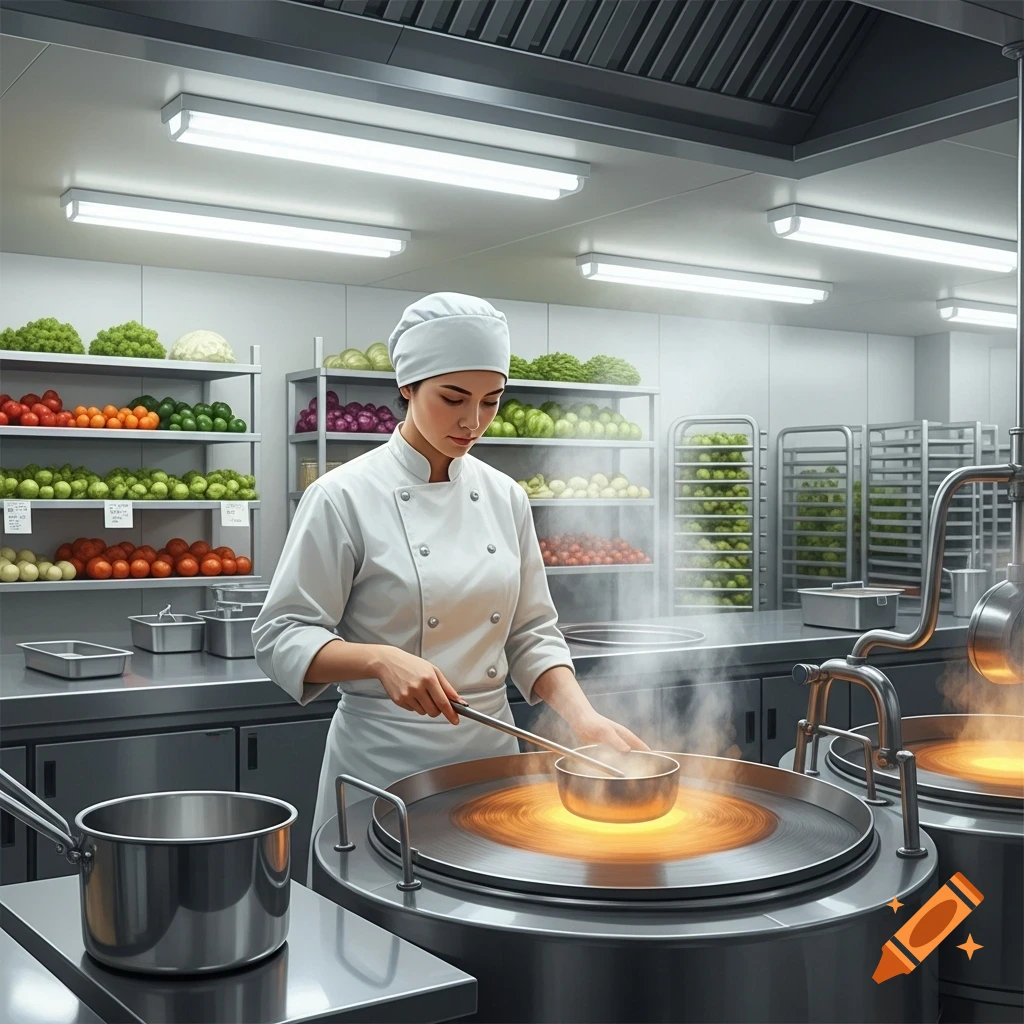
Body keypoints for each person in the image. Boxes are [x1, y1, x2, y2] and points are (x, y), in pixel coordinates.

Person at [253, 292, 648, 878]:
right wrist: (381, 660)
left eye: (491, 401)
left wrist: (584, 719)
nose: (473, 422)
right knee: (383, 937)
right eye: (453, 398)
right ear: (407, 387)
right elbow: (281, 635)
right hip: (383, 763)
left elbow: (531, 632)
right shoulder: (342, 496)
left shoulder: (505, 495)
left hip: (489, 756)